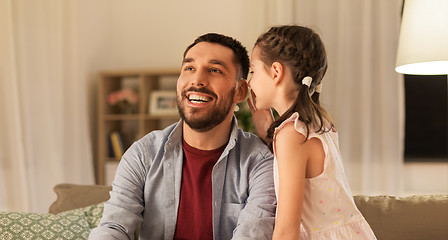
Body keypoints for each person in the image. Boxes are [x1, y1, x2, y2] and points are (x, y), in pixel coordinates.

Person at [89, 33, 276, 240]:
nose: (197, 80)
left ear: (240, 91)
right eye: (189, 68)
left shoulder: (260, 162)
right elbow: (113, 227)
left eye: (215, 70)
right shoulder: (143, 154)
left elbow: (253, 235)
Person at [247, 25, 376, 239]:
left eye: (253, 71)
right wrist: (268, 134)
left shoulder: (291, 135)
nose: (250, 81)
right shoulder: (317, 124)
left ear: (276, 72)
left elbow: (287, 231)